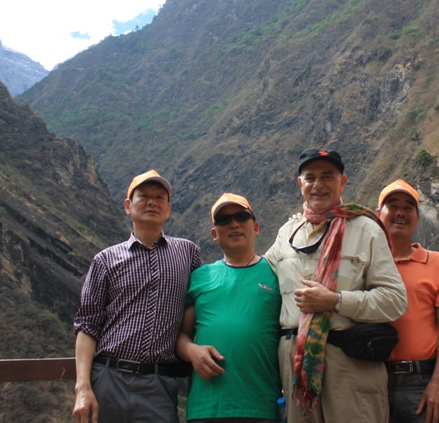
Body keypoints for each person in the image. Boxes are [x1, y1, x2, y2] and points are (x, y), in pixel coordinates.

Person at [264, 148, 407, 423]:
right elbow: (260, 278)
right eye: (310, 177)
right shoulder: (287, 233)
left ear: (343, 181)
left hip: (349, 364)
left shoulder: (367, 230)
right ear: (300, 184)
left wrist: (336, 301)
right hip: (296, 368)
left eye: (327, 176)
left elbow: (395, 300)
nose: (318, 184)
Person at [72, 170, 201, 423]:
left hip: (159, 383)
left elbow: (200, 305)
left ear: (168, 209)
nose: (152, 202)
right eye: (144, 196)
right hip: (107, 378)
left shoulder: (188, 254)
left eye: (159, 197)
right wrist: (83, 387)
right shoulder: (105, 260)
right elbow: (88, 325)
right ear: (128, 206)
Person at [176, 193, 282, 422]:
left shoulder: (277, 274)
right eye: (224, 220)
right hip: (207, 408)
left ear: (255, 227)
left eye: (241, 216)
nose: (234, 223)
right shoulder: (200, 277)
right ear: (214, 234)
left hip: (262, 406)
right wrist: (191, 351)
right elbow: (182, 335)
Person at [377, 179, 439, 423]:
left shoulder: (436, 262)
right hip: (373, 379)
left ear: (418, 218)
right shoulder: (367, 262)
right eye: (393, 205)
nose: (400, 212)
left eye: (408, 207)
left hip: (421, 382)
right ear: (378, 215)